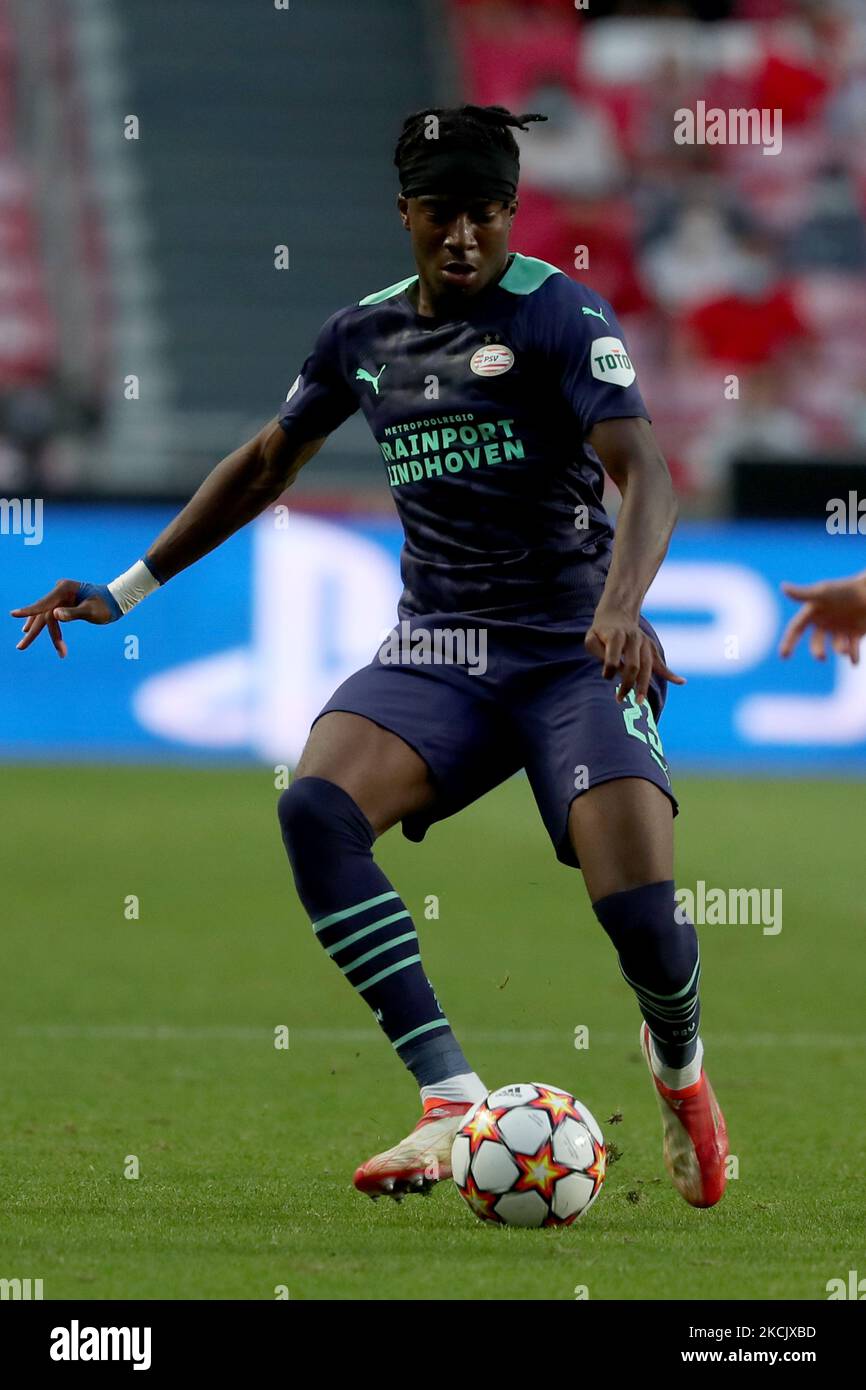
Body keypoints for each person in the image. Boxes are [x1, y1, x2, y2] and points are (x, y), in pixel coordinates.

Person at [11, 104, 728, 1210]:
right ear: (402, 213)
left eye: (483, 213)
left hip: (570, 649)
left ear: (508, 215)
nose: (461, 235)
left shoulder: (557, 315)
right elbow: (264, 462)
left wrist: (623, 607)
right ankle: (447, 1097)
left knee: (636, 909)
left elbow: (647, 472)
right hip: (436, 651)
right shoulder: (360, 336)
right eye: (439, 212)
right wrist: (124, 588)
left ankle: (677, 1064)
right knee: (313, 806)